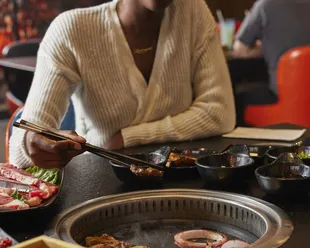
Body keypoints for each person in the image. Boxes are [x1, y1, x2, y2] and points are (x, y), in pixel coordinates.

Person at [10, 0, 236, 169]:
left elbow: (220, 113)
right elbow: (22, 145)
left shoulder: (193, 13)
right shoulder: (73, 29)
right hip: (99, 186)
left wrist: (128, 137)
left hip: (180, 183)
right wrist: (33, 143)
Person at [232, 0, 310, 124]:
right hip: (306, 101)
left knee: (233, 100)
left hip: (280, 97)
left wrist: (264, 48)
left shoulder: (266, 5)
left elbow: (239, 50)